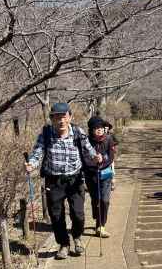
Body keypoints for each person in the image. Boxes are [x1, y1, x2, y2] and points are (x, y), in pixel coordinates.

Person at [25, 103, 102, 259]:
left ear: (70, 117)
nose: (61, 121)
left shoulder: (78, 133)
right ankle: (64, 244)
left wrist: (95, 157)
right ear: (52, 119)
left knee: (78, 213)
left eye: (64, 117)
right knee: (56, 215)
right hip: (53, 181)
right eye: (57, 117)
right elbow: (37, 152)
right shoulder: (46, 134)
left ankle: (77, 237)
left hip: (75, 180)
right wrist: (31, 164)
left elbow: (89, 149)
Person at [84, 117, 116, 238]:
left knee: (104, 200)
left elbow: (111, 155)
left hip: (105, 174)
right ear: (91, 130)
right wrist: (93, 162)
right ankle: (97, 217)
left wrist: (102, 161)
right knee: (95, 199)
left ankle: (101, 225)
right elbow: (85, 158)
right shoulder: (86, 141)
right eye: (96, 128)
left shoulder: (109, 139)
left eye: (101, 128)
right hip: (91, 175)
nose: (99, 130)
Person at [104, 120, 118, 191]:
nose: (106, 129)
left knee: (112, 169)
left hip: (110, 155)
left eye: (107, 128)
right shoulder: (100, 135)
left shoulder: (111, 135)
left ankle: (112, 184)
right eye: (104, 127)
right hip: (102, 156)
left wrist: (113, 146)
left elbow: (116, 142)